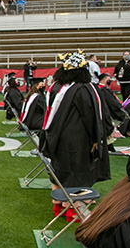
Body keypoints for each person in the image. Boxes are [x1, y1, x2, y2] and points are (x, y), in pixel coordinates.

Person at [40, 51, 106, 219]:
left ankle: (58, 205)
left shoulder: (56, 87)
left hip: (56, 136)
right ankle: (71, 209)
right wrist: (95, 139)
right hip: (77, 139)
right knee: (75, 173)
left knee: (59, 170)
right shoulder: (83, 89)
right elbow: (91, 116)